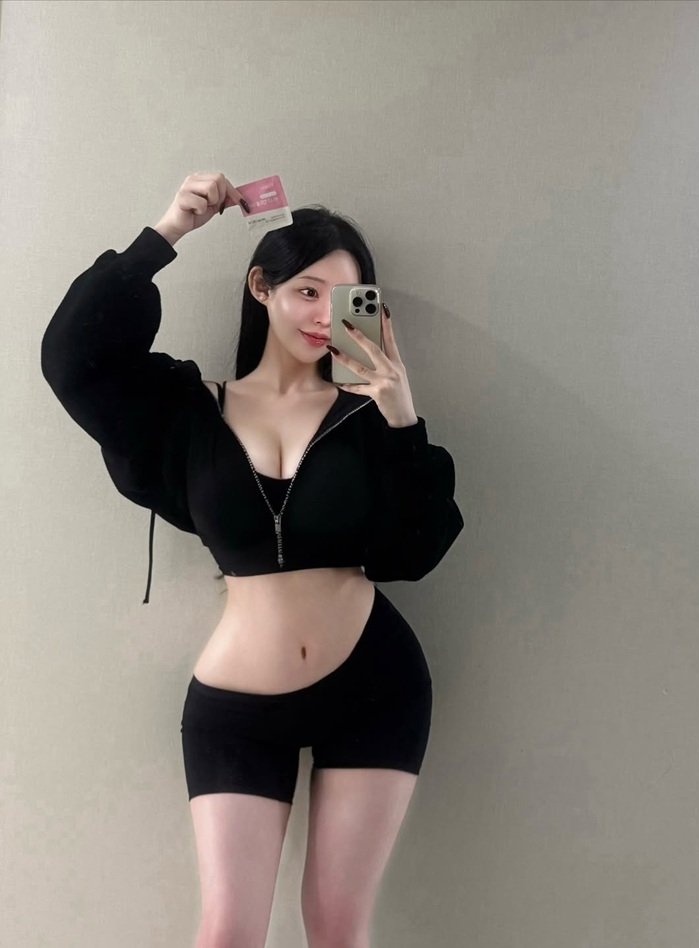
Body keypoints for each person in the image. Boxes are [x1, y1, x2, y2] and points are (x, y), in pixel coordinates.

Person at [40, 171, 464, 948]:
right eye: (306, 291)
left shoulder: (368, 418)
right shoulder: (190, 410)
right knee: (227, 932)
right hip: (237, 710)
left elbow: (416, 551)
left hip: (377, 688)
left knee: (336, 930)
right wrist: (168, 230)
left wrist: (402, 416)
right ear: (260, 287)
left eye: (345, 297)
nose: (324, 316)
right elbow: (73, 360)